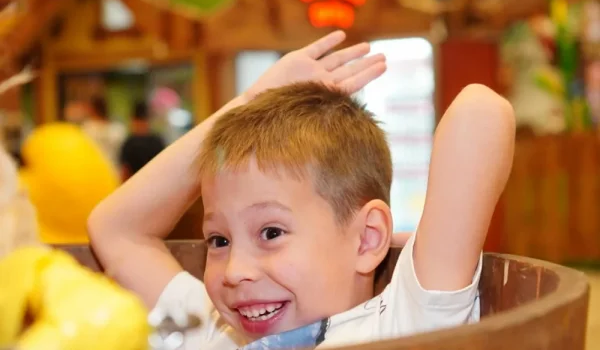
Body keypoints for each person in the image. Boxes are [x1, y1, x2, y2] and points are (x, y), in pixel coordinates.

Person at [88, 31, 515, 349]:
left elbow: (481, 110)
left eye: (271, 232)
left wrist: (420, 245)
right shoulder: (213, 330)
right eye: (219, 240)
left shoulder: (406, 322)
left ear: (367, 238)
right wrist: (251, 99)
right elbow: (115, 229)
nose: (234, 271)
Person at [119, 101, 166, 181]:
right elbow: (164, 168)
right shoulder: (157, 141)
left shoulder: (129, 143)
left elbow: (125, 171)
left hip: (135, 184)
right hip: (156, 183)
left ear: (133, 119)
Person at [82, 96, 126, 169]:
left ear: (93, 109)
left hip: (94, 169)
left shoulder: (87, 129)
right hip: (114, 169)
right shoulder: (118, 129)